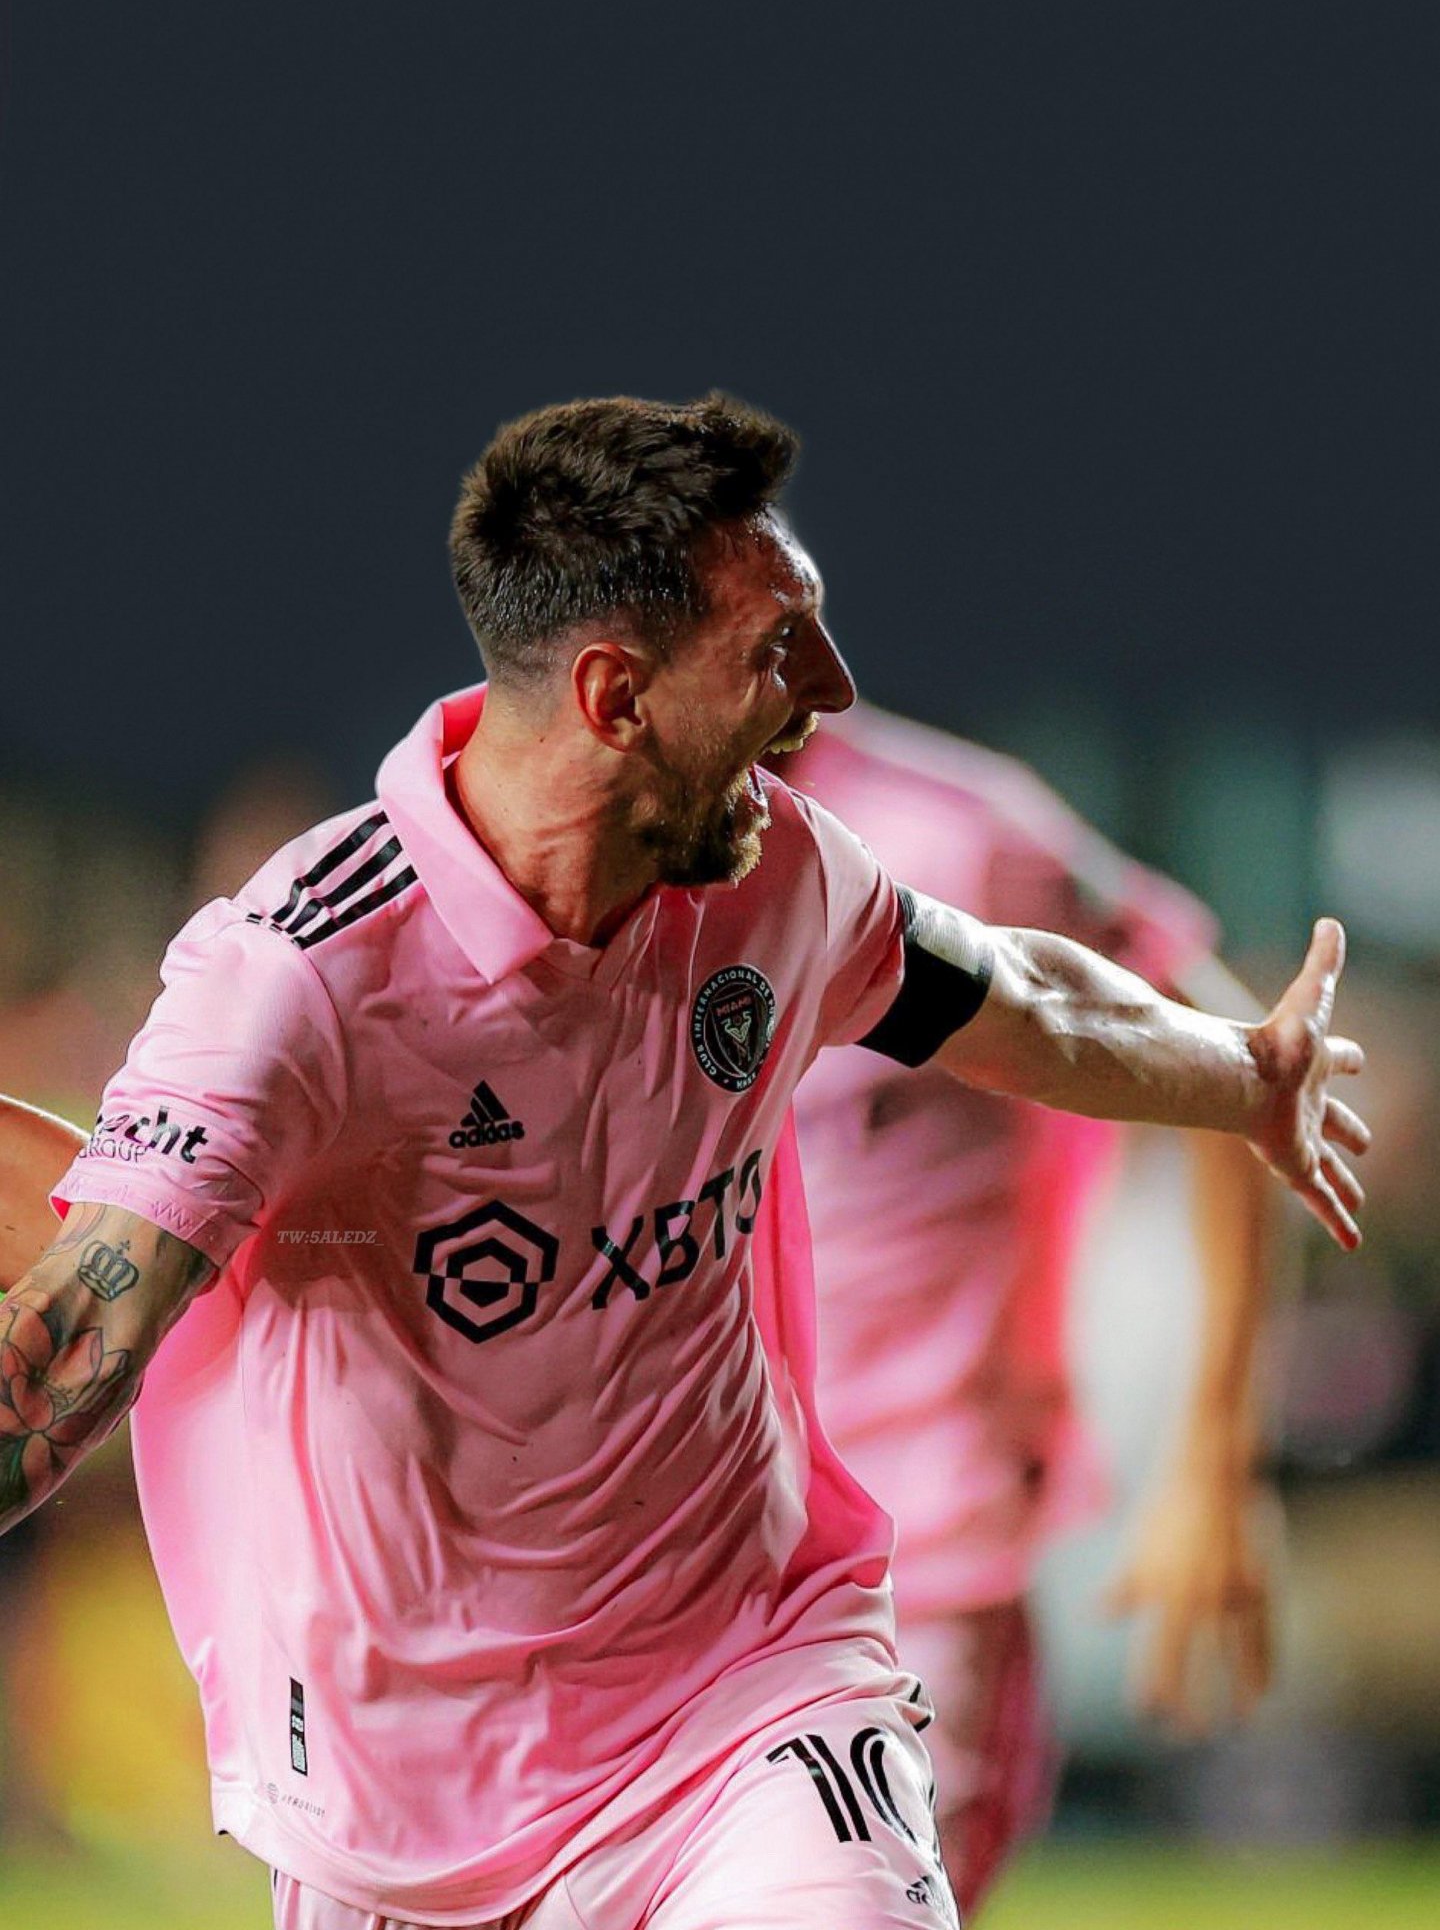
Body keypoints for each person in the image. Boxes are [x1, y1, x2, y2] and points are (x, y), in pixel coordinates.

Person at [0, 395, 1367, 1930]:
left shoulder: (780, 876)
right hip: (407, 1796)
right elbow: (70, 1349)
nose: (833, 689)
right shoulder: (297, 982)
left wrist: (1246, 1076)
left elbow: (1030, 999)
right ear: (615, 697)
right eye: (779, 648)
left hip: (749, 1698)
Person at [780, 704, 1278, 1913]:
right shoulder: (581, 862)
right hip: (663, 1569)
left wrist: (1215, 1463)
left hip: (918, 1558)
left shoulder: (957, 837)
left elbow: (1239, 1065)